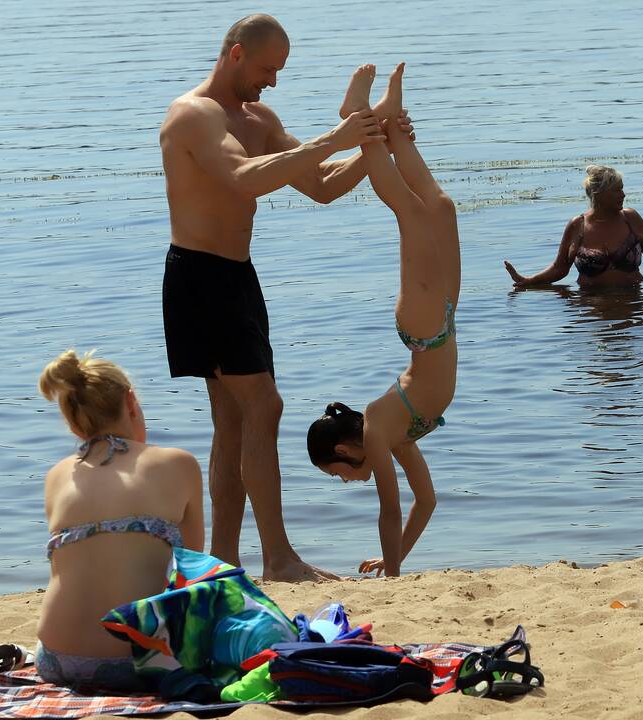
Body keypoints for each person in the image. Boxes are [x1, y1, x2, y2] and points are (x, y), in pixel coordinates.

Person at [159, 14, 414, 582]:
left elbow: (320, 184)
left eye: (280, 70)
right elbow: (244, 178)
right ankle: (277, 557)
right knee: (263, 406)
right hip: (199, 277)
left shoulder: (259, 118)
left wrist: (376, 144)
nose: (273, 81)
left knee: (231, 421)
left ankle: (223, 563)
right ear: (234, 54)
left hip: (238, 277)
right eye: (268, 68)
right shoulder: (194, 115)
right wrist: (336, 136)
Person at [306, 63, 456, 578]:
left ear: (346, 451)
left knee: (411, 213)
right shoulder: (395, 435)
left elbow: (390, 510)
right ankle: (388, 125)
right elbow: (426, 502)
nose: (348, 483)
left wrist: (392, 577)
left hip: (424, 328)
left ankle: (355, 116)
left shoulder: (376, 434)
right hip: (444, 321)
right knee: (440, 207)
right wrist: (395, 561)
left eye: (338, 475)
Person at [35, 350, 204, 691]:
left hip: (55, 659)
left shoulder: (56, 476)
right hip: (141, 661)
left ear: (72, 422)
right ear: (131, 402)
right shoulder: (178, 463)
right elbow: (192, 567)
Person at [504, 165, 643, 289]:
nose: (623, 194)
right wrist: (528, 281)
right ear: (599, 194)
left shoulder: (630, 218)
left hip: (633, 303)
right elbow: (559, 268)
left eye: (622, 189)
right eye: (617, 190)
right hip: (590, 308)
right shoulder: (577, 225)